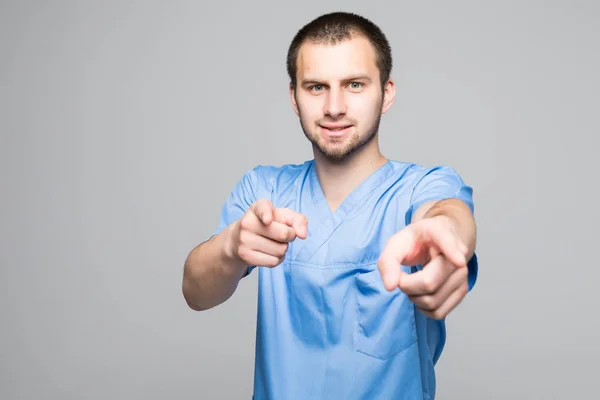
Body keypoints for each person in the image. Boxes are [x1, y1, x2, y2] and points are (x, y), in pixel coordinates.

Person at [182, 11, 479, 400]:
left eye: (354, 85)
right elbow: (196, 292)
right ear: (294, 97)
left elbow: (448, 215)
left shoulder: (421, 187)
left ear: (386, 93)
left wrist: (444, 234)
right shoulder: (264, 190)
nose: (334, 107)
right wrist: (230, 245)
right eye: (316, 87)